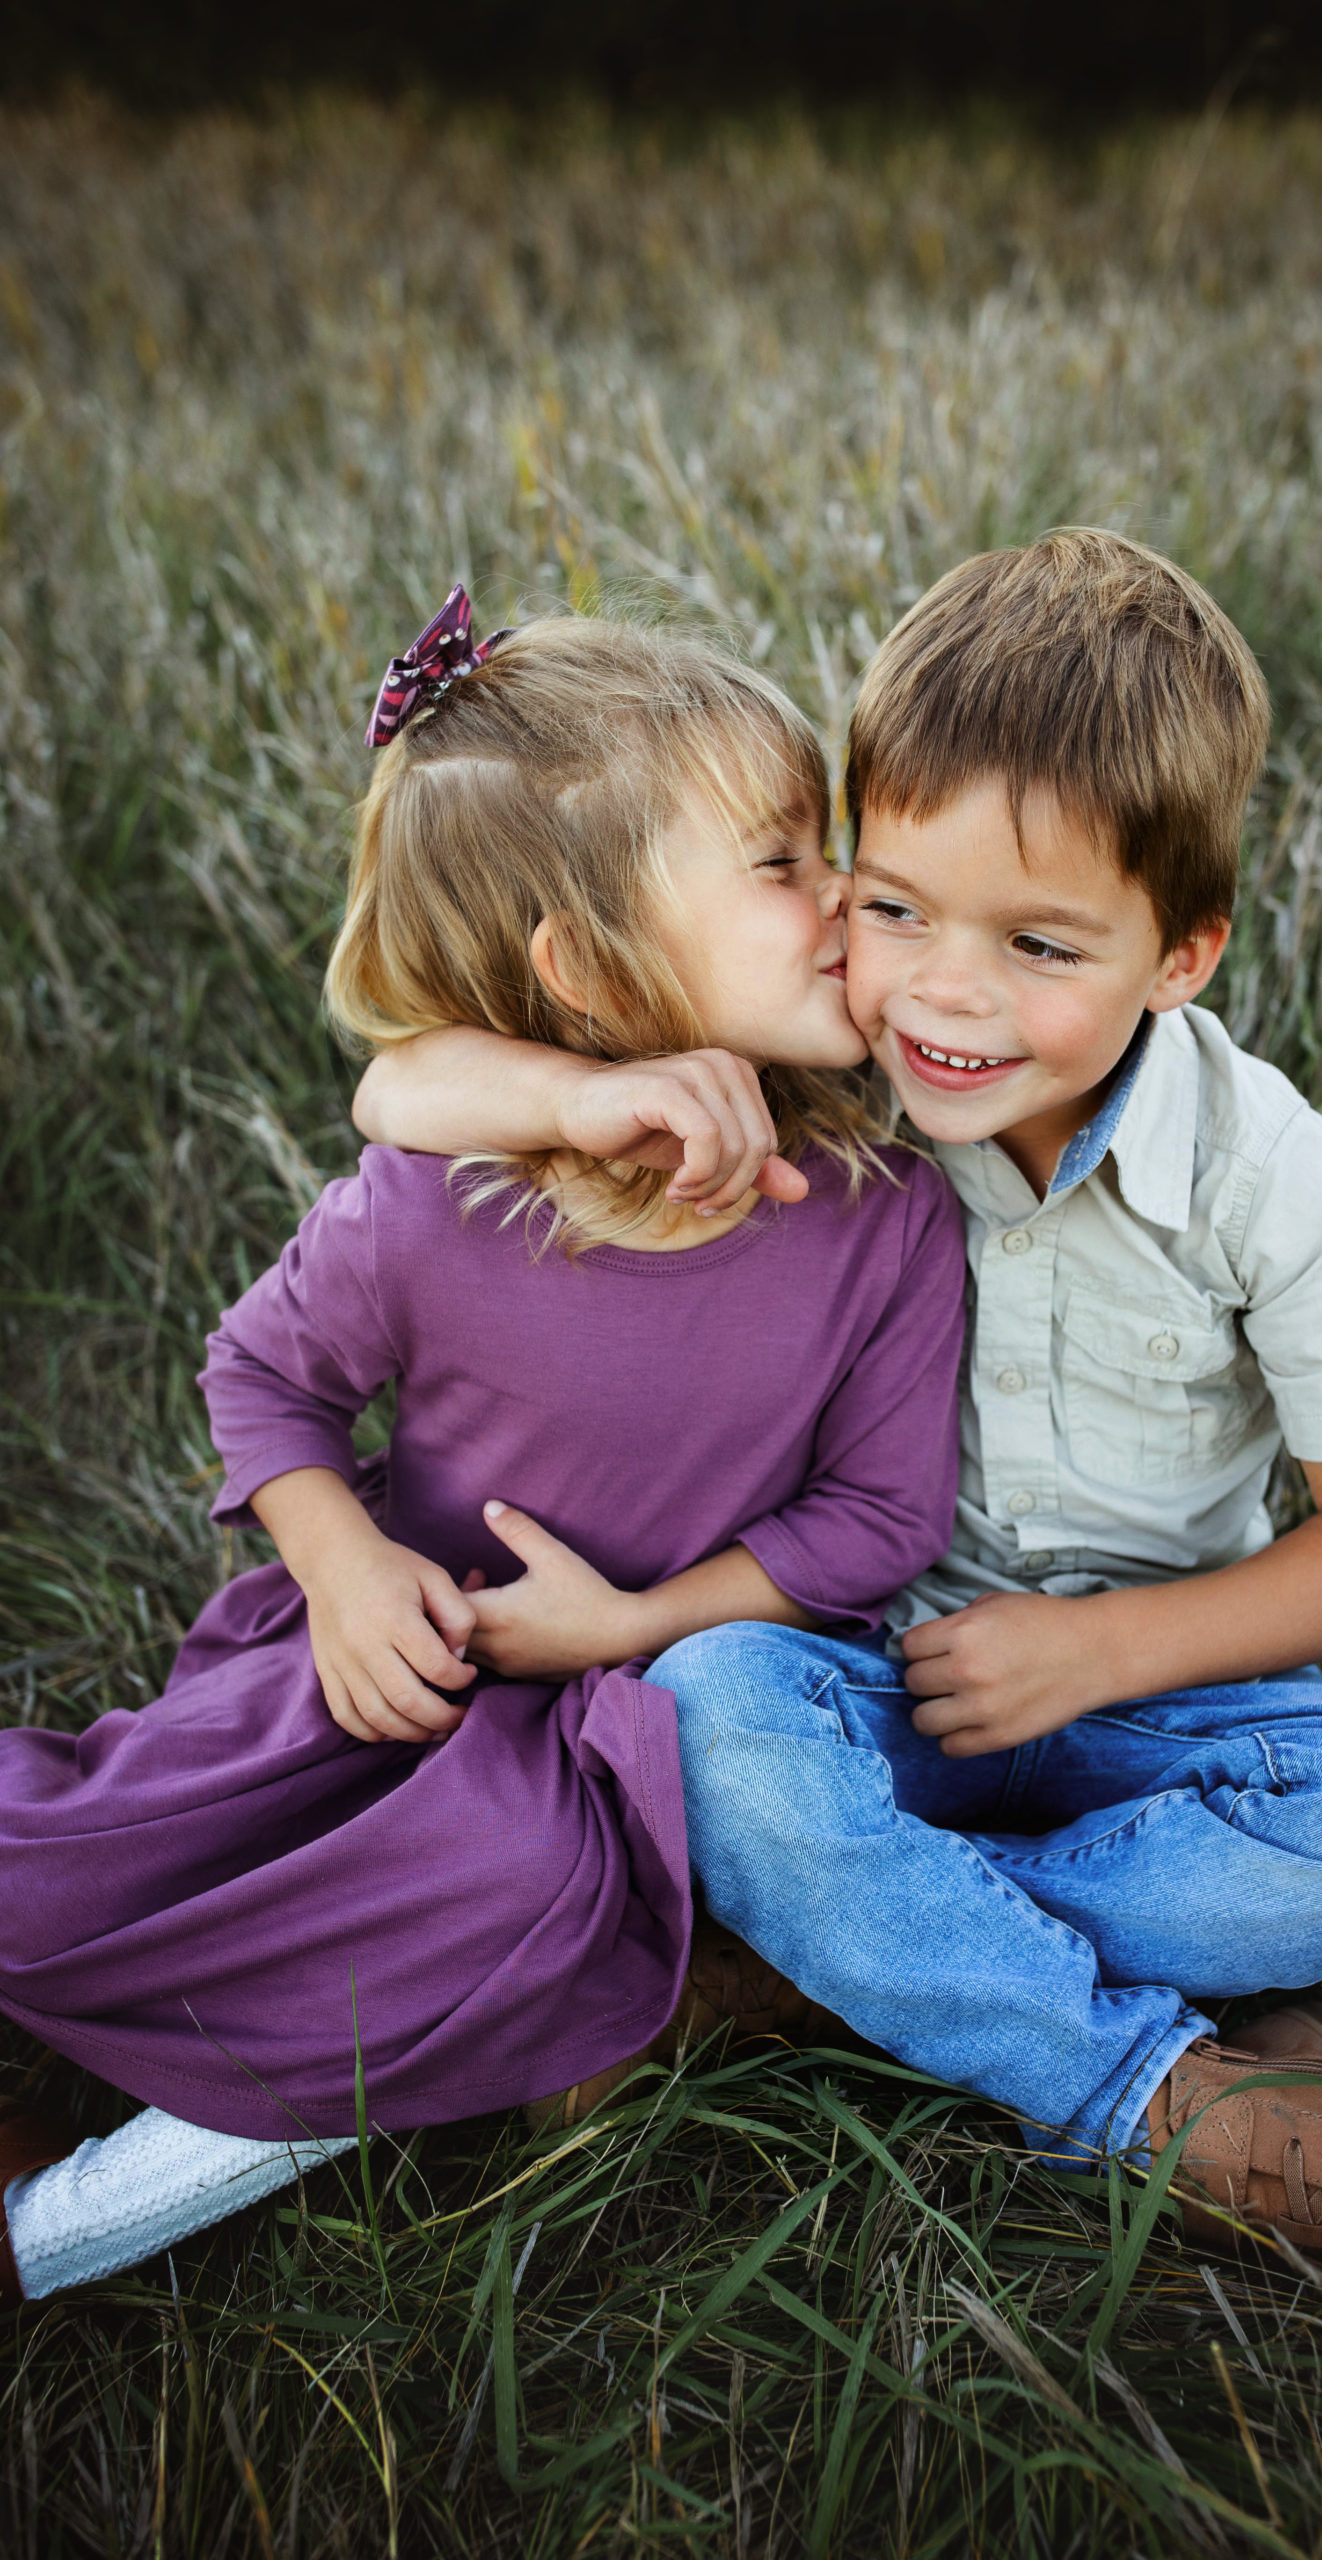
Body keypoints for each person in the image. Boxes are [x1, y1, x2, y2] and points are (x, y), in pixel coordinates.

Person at [350, 534, 1322, 2385]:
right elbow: (397, 1088)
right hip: (869, 1683)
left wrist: (1103, 1655)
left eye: (1041, 945)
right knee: (709, 1719)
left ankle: (809, 1974)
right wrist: (577, 1096)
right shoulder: (852, 1083)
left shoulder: (1263, 1175)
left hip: (1170, 1704)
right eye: (895, 904)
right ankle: (1180, 2095)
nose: (944, 993)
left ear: (1184, 952)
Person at [0, 595, 965, 2305]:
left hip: (600, 1737)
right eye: (779, 860)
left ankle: (50, 2231)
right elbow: (262, 1381)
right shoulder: (439, 1208)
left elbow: (877, 1518)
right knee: (69, 1855)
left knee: (494, 1901)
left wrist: (629, 1628)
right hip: (385, 1665)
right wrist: (341, 1563)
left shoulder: (884, 1223)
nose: (847, 895)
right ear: (588, 976)